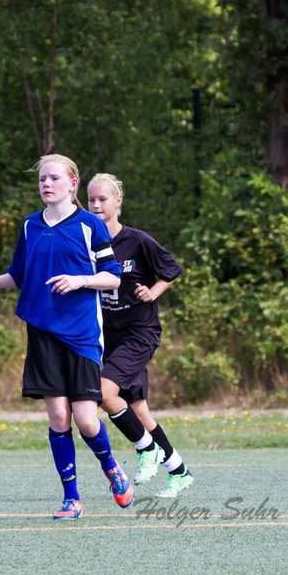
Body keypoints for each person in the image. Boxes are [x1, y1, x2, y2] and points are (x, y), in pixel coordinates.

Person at [0, 153, 132, 519]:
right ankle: (72, 499)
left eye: (54, 178)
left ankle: (112, 469)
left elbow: (113, 277)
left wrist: (80, 281)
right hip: (42, 333)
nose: (46, 184)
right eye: (42, 179)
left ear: (73, 185)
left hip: (83, 334)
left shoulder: (90, 225)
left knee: (87, 420)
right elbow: (20, 273)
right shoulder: (29, 226)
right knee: (59, 418)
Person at [86, 173, 193, 497]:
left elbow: (171, 269)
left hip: (139, 333)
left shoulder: (138, 241)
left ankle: (145, 449)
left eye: (103, 199)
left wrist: (154, 291)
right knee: (137, 409)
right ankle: (178, 470)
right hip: (108, 336)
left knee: (104, 393)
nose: (96, 205)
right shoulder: (87, 241)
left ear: (118, 202)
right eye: (91, 199)